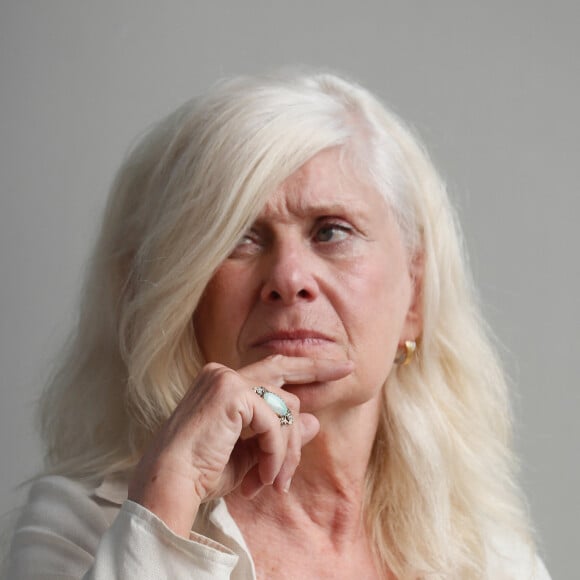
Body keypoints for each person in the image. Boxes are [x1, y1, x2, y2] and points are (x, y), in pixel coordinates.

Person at [4, 71, 550, 579]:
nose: (289, 279)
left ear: (415, 297)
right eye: (240, 236)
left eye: (331, 231)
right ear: (176, 297)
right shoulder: (80, 528)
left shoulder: (488, 550)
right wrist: (169, 500)